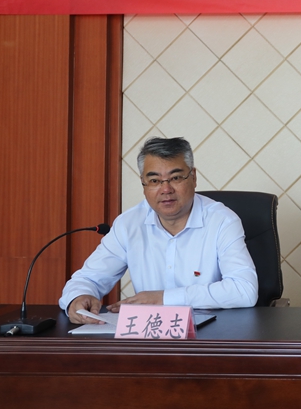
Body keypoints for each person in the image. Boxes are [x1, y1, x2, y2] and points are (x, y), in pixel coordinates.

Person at [60, 136, 258, 324]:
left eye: (176, 177)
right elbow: (88, 278)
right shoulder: (129, 224)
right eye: (154, 181)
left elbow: (244, 290)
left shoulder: (222, 221)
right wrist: (78, 297)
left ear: (194, 177)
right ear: (143, 184)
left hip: (211, 335)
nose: (166, 189)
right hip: (149, 335)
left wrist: (163, 298)